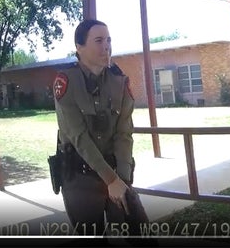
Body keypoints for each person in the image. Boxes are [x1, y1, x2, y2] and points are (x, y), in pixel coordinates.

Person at [53, 19, 154, 244]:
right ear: (79, 47)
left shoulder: (120, 81)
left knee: (143, 237)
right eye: (98, 40)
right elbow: (79, 137)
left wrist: (123, 181)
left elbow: (124, 134)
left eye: (108, 40)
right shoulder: (66, 81)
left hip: (118, 174)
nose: (106, 46)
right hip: (80, 179)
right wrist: (111, 179)